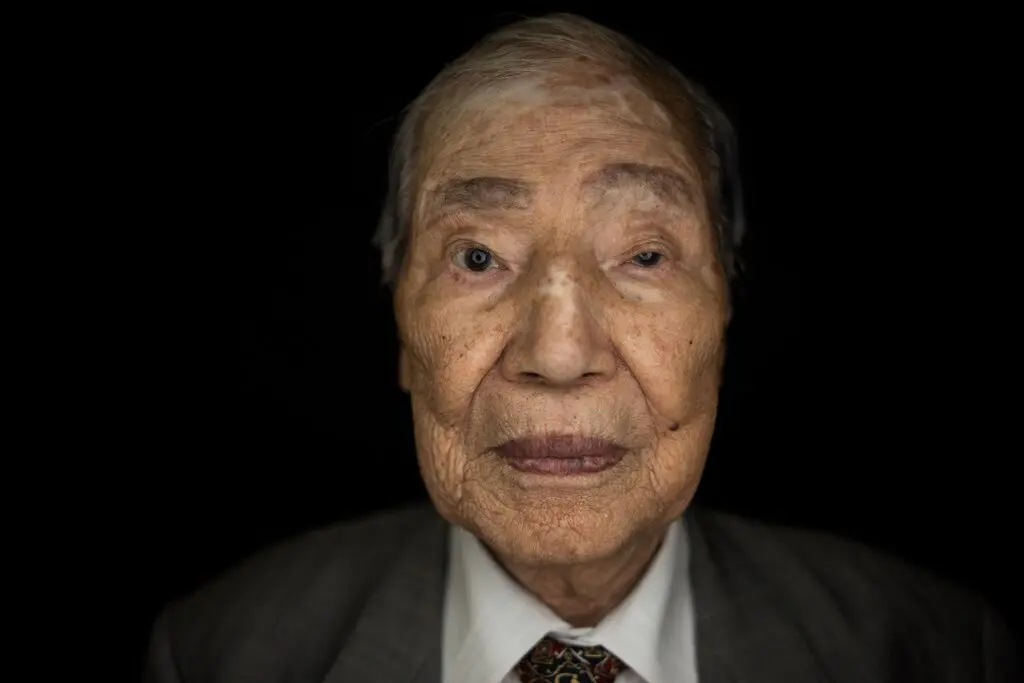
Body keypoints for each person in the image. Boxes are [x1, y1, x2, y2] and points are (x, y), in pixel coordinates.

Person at [143, 13, 1018, 683]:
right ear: (404, 333)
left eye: (643, 254)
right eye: (478, 255)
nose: (559, 352)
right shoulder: (219, 651)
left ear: (721, 319)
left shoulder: (935, 648)